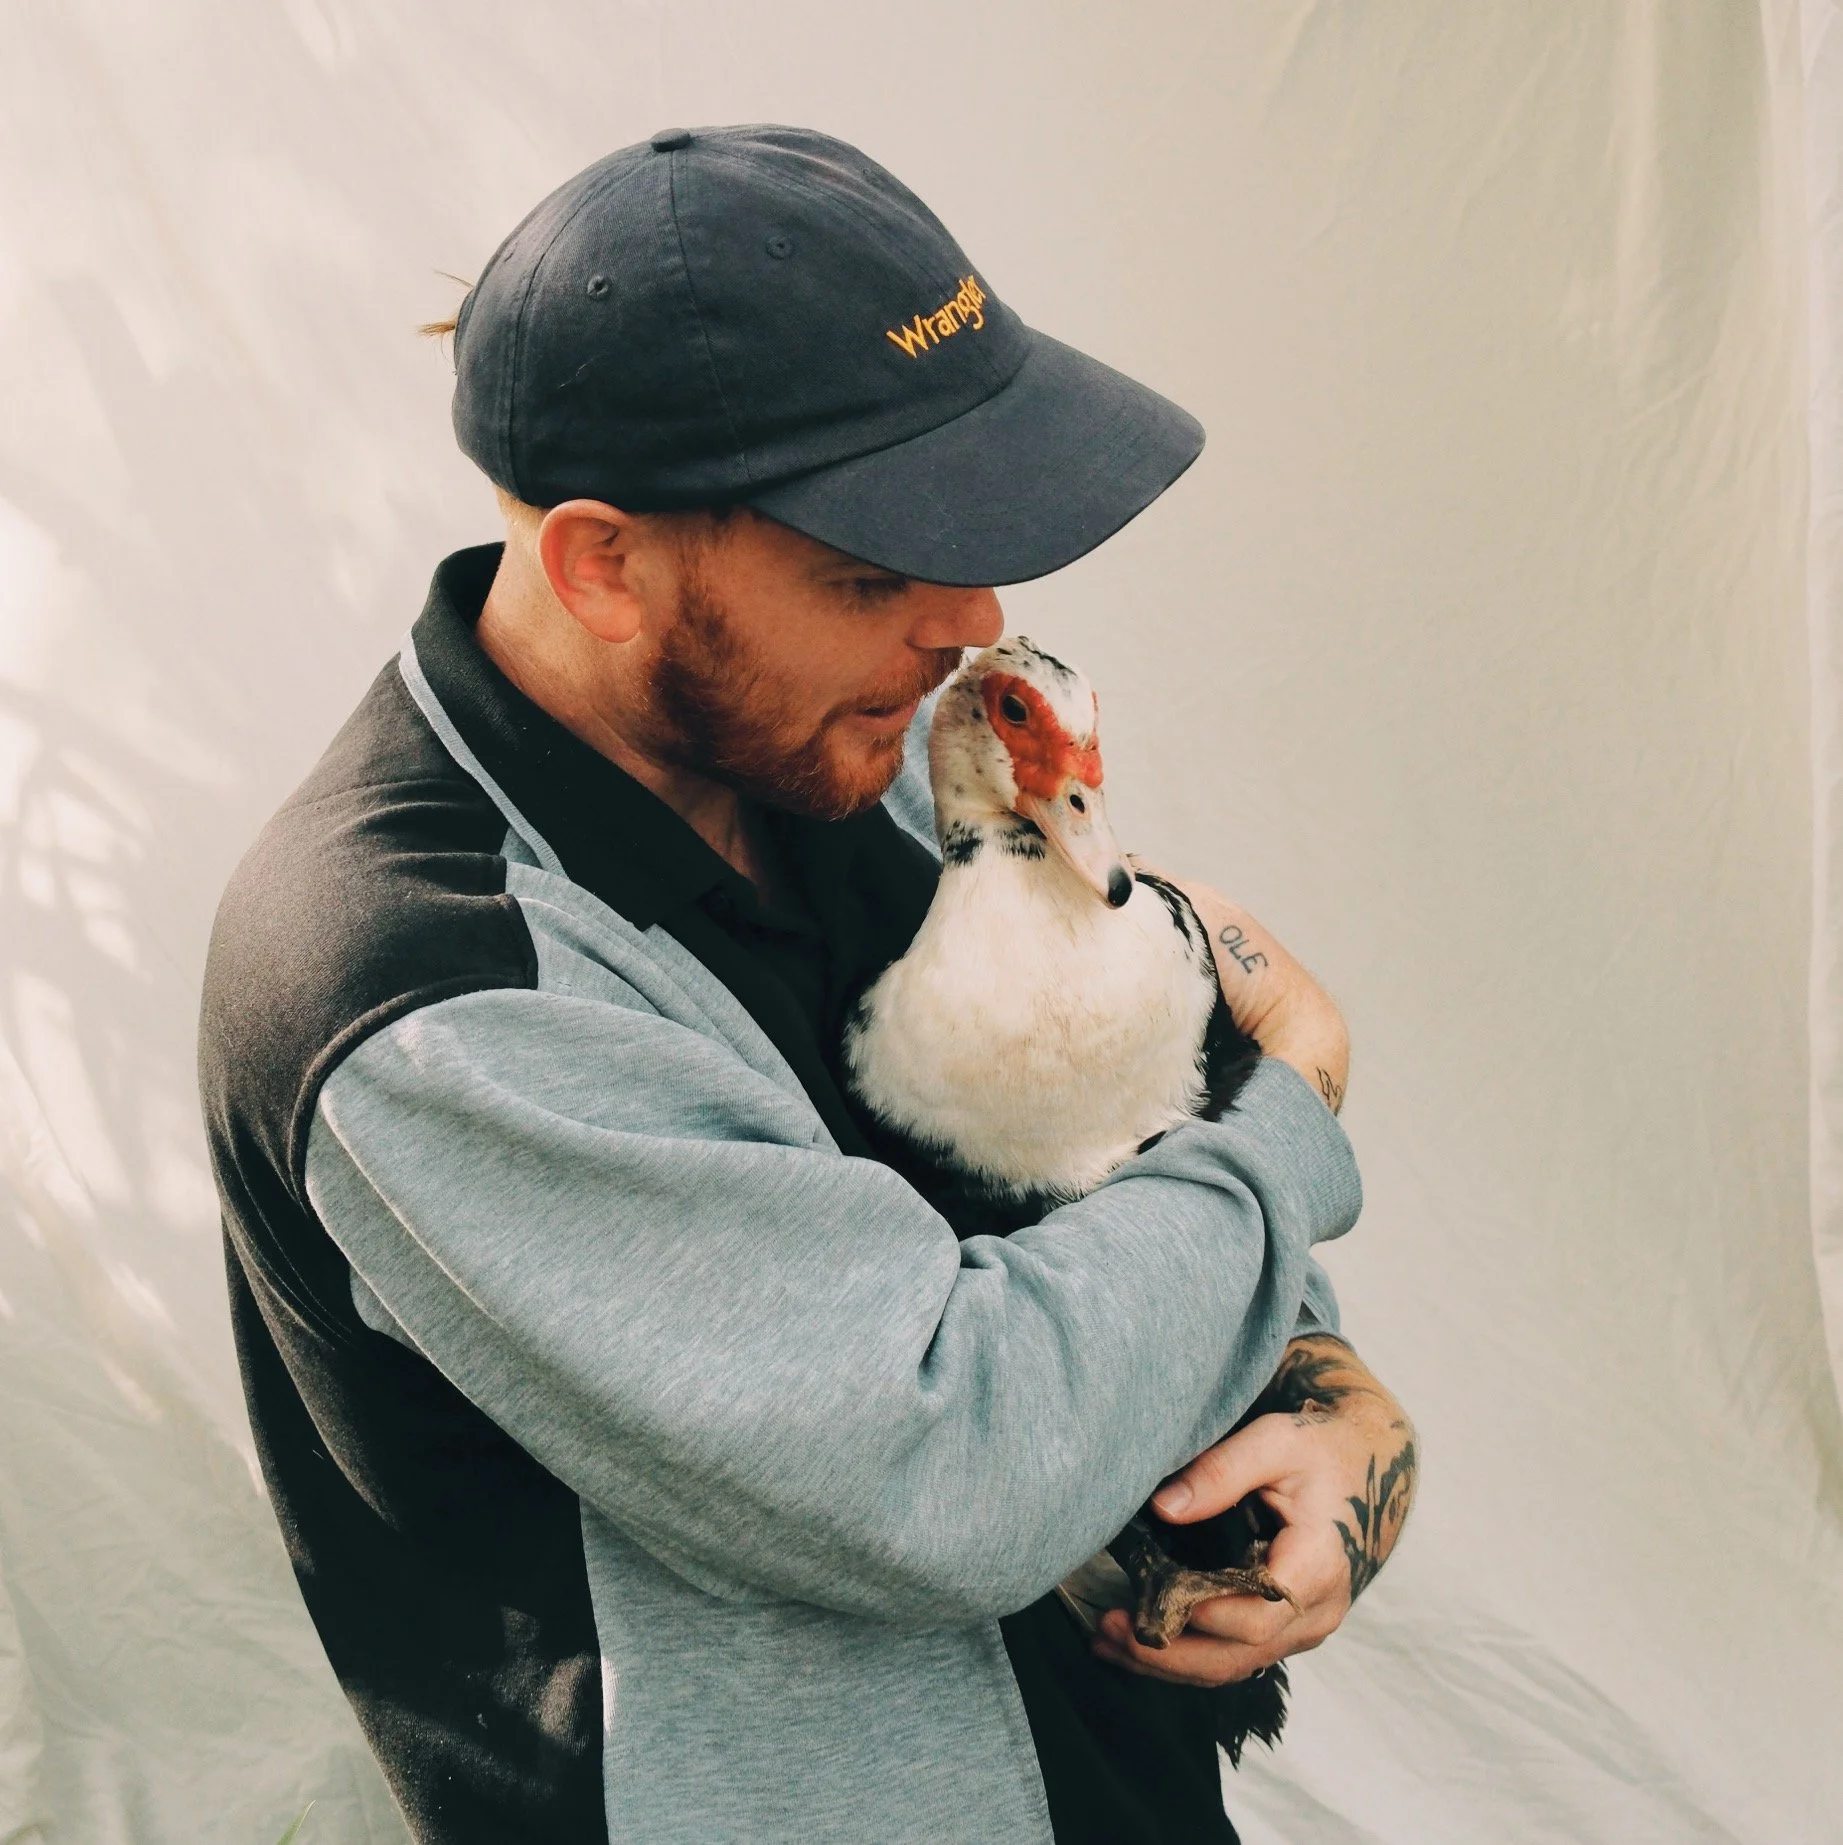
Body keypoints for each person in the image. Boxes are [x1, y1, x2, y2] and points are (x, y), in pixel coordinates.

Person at [199, 125, 1416, 1845]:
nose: (967, 619)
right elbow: (951, 1461)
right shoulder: (420, 992)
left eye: (971, 541)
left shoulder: (865, 743)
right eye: (869, 570)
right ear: (603, 565)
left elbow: (1115, 1157)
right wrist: (1297, 1115)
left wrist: (1318, 1391)